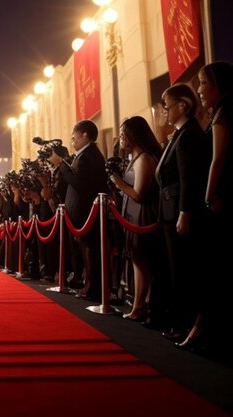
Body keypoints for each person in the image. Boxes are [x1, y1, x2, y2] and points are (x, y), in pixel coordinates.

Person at [181, 60, 233, 353]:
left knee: (216, 267)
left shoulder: (224, 112)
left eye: (202, 82)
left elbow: (219, 159)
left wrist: (209, 194)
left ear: (218, 85)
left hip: (221, 199)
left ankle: (210, 333)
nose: (198, 90)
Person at [156, 83, 211, 344]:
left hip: (180, 210)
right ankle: (181, 321)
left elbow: (189, 178)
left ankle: (188, 323)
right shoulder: (178, 134)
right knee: (176, 270)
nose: (164, 111)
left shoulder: (189, 135)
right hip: (170, 209)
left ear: (183, 105)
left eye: (167, 106)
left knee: (185, 271)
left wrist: (185, 211)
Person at [109, 116, 163, 322]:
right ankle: (140, 302)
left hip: (142, 214)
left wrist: (118, 182)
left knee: (141, 259)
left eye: (124, 134)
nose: (121, 138)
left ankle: (141, 305)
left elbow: (139, 193)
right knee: (136, 258)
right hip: (130, 214)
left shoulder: (144, 159)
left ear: (134, 135)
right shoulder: (134, 158)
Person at [48, 120, 109, 302]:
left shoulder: (89, 155)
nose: (72, 141)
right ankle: (88, 285)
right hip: (81, 213)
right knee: (86, 252)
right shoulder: (84, 155)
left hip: (86, 212)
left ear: (85, 135)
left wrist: (61, 163)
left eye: (75, 136)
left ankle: (93, 288)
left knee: (91, 251)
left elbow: (79, 183)